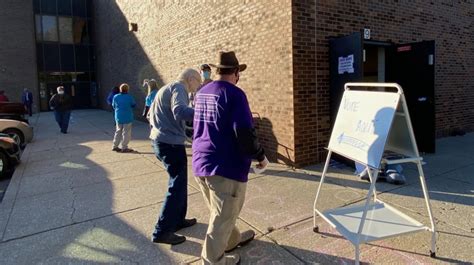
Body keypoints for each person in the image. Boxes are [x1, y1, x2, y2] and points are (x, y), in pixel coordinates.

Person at [193, 51, 269, 265]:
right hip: (225, 166)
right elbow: (244, 132)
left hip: (201, 161)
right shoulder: (235, 94)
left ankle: (232, 239)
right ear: (236, 72)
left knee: (221, 211)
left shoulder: (202, 92)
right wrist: (260, 156)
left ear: (216, 71)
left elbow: (195, 126)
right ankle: (212, 261)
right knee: (221, 218)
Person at [148, 68, 201, 245]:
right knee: (176, 186)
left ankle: (178, 220)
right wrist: (204, 113)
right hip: (170, 144)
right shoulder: (179, 88)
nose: (198, 86)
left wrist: (183, 131)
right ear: (191, 79)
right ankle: (161, 231)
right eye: (198, 82)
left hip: (161, 141)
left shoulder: (166, 88)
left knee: (179, 182)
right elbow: (180, 111)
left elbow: (155, 116)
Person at [112, 83, 136, 153]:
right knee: (126, 133)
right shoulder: (129, 97)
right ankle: (124, 147)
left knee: (118, 131)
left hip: (118, 116)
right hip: (127, 116)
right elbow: (133, 105)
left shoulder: (115, 96)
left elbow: (113, 106)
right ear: (127, 89)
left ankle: (115, 146)